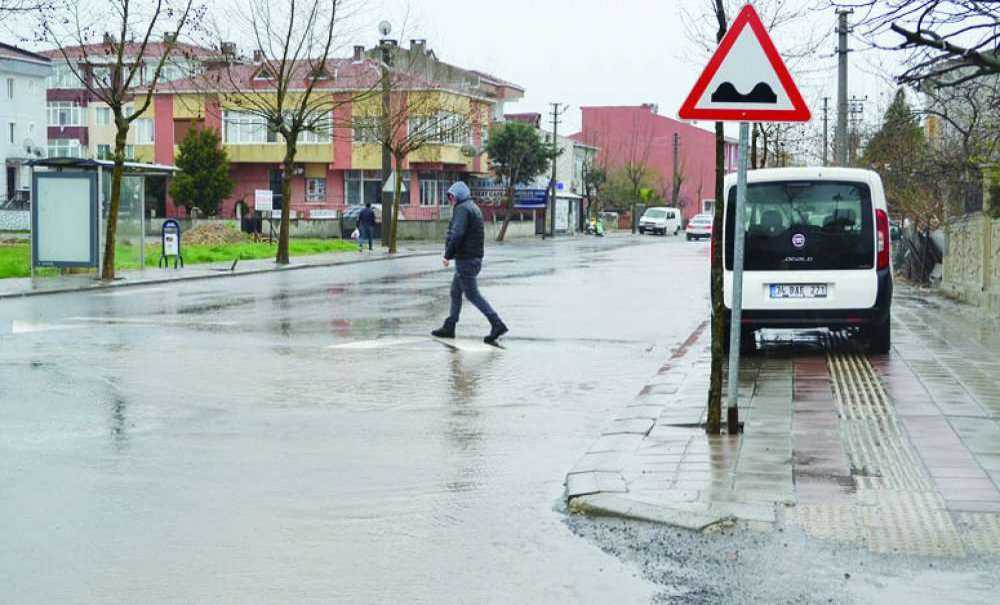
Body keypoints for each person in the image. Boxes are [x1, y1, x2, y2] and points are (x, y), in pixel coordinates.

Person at [431, 181, 509, 344]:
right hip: (472, 258)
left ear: (459, 196)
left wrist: (447, 254)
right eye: (449, 197)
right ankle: (450, 325)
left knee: (472, 294)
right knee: (455, 291)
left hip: (466, 260)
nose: (450, 201)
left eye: (452, 197)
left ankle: (497, 323)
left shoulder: (462, 209)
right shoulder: (472, 207)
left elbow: (457, 233)